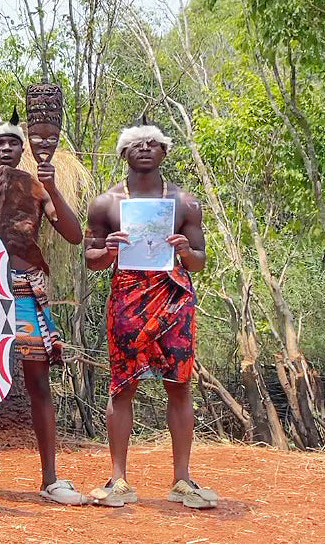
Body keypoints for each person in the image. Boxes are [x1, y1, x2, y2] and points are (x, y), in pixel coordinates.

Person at [84, 119, 216, 509]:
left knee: (178, 384)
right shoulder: (106, 203)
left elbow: (199, 261)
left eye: (153, 143)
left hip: (174, 297)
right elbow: (91, 259)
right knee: (122, 385)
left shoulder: (184, 203)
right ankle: (118, 479)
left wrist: (184, 251)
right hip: (127, 298)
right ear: (124, 154)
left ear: (163, 152)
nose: (145, 148)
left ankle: (182, 479)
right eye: (136, 144)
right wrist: (107, 249)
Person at [0, 109, 85, 505]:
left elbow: (74, 234)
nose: (6, 148)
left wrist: (53, 188)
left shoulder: (36, 187)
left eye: (14, 142)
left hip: (27, 288)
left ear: (22, 150)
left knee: (37, 381)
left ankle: (50, 478)